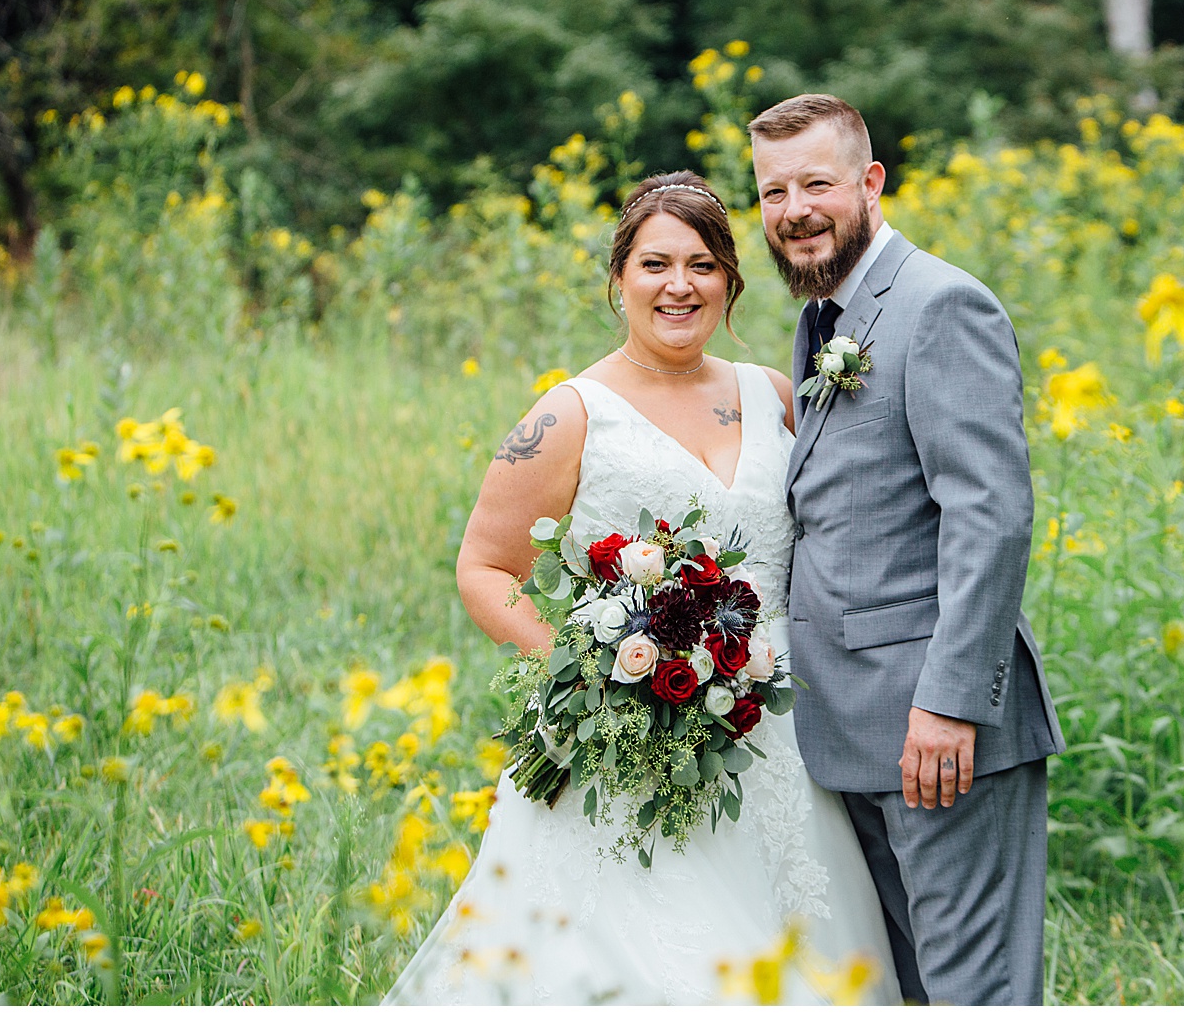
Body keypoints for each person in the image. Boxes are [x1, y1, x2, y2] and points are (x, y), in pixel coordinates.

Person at [385, 174, 900, 1006]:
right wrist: (590, 672)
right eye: (655, 264)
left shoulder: (771, 396)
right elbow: (484, 568)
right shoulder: (570, 415)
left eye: (701, 265)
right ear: (619, 278)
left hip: (779, 736)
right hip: (623, 741)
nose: (679, 285)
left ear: (730, 280)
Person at [749, 93, 1064, 1008]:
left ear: (870, 181)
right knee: (916, 989)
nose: (795, 210)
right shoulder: (825, 317)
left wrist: (951, 705)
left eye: (816, 183)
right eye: (773, 193)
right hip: (852, 729)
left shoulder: (939, 305)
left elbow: (990, 514)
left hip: (939, 729)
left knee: (976, 993)